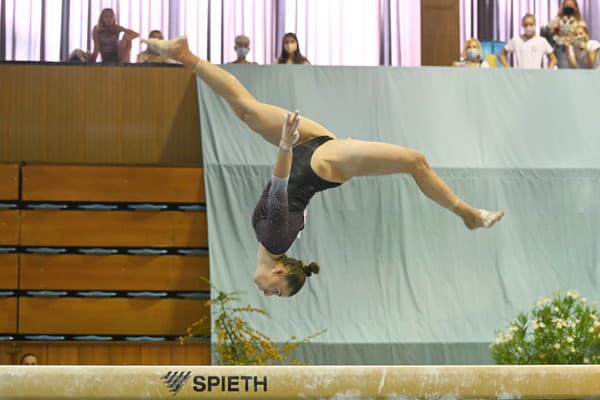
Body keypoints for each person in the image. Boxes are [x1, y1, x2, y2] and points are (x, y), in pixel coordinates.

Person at [142, 36, 504, 298]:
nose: (269, 295)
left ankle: (185, 55)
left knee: (246, 110)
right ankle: (466, 212)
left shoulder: (266, 240)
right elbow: (280, 183)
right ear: (280, 272)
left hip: (304, 150)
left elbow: (281, 184)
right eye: (278, 293)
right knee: (415, 161)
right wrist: (284, 144)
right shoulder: (275, 240)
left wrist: (289, 144)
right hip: (322, 164)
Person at [544, 0, 587, 69]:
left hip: (575, 49)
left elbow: (585, 36)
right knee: (564, 70)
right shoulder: (557, 20)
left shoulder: (580, 21)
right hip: (561, 49)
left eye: (570, 5)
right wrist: (553, 32)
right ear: (563, 7)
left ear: (575, 7)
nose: (568, 7)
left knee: (576, 70)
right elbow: (546, 32)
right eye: (566, 5)